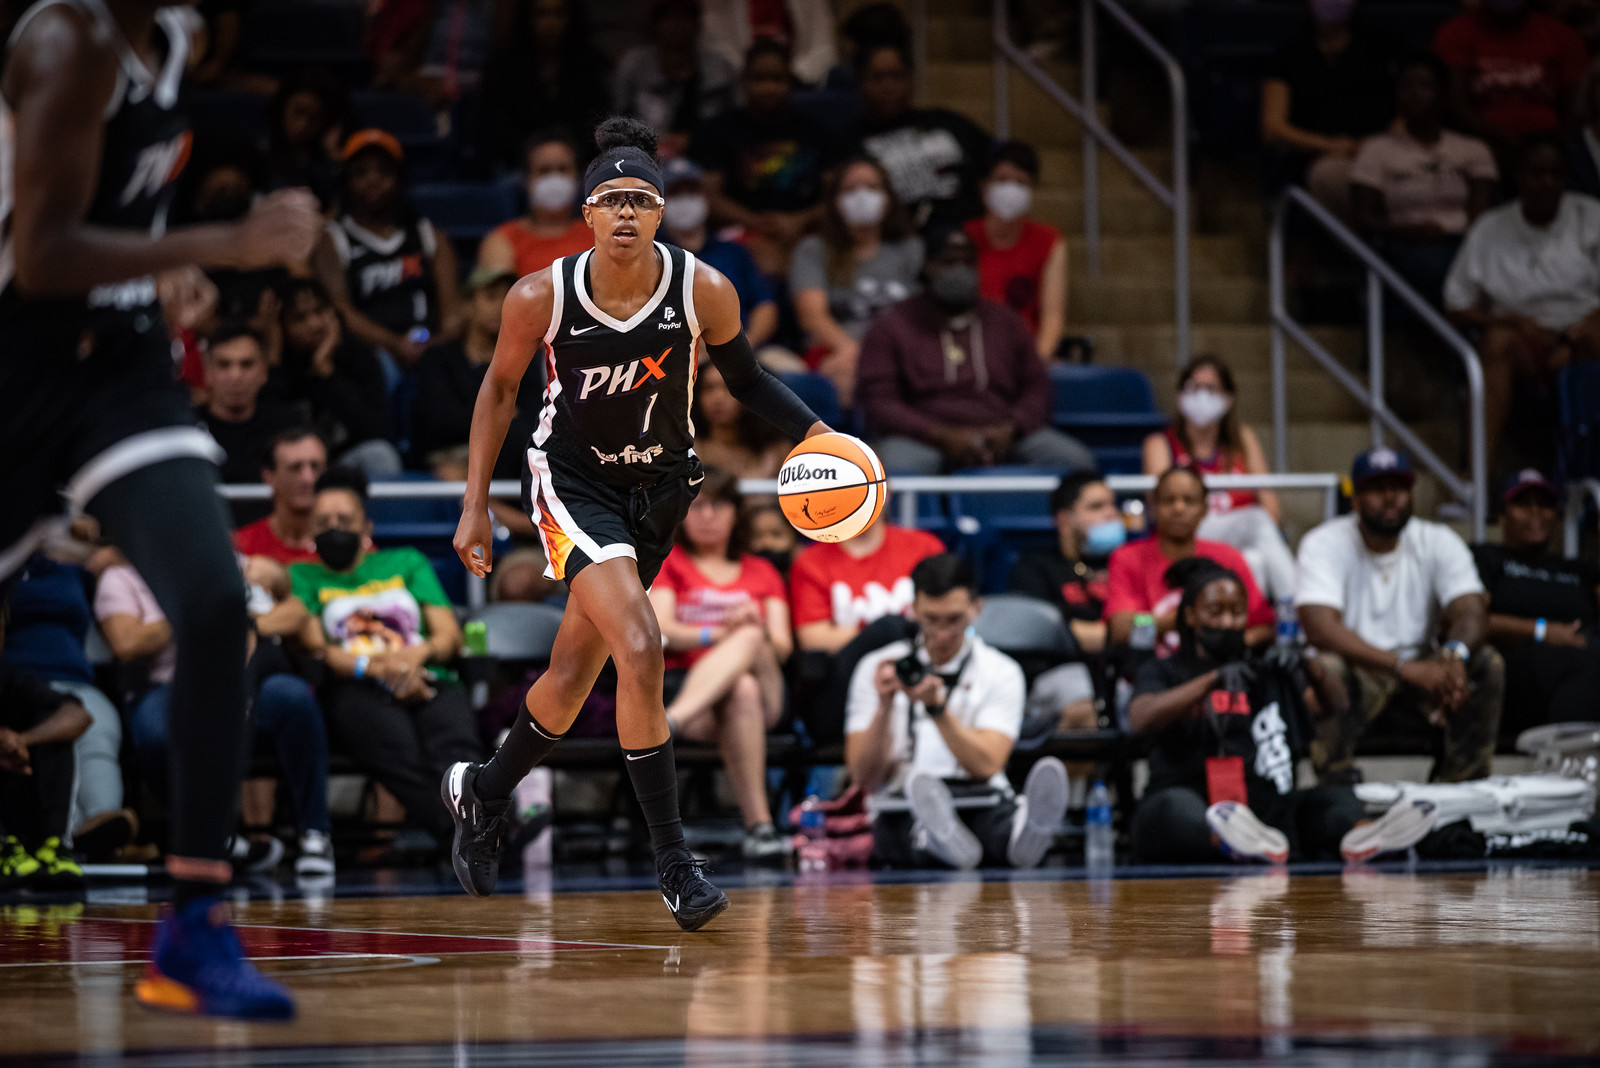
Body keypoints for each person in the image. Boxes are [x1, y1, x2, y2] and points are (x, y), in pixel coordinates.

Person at [0, 0, 319, 1013]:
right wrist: (219, 241)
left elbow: (108, 214)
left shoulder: (173, 34)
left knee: (215, 603)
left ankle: (193, 925)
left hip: (119, 365)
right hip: (16, 357)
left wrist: (160, 257)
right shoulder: (69, 39)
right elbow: (44, 253)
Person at [445, 118, 827, 929]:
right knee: (642, 646)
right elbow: (498, 395)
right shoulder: (539, 295)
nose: (626, 212)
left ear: (662, 215)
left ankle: (482, 793)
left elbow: (749, 381)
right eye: (612, 199)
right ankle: (675, 861)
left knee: (572, 674)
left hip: (658, 489)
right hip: (570, 483)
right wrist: (475, 504)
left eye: (642, 199)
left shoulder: (703, 289)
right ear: (587, 213)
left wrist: (817, 433)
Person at [1128, 559, 1435, 865]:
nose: (1227, 622)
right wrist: (1213, 680)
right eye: (1215, 612)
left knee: (1334, 798)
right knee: (1172, 809)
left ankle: (1363, 836)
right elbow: (1141, 717)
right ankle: (1232, 841)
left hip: (1263, 810)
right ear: (1191, 615)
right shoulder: (1165, 670)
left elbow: (1335, 707)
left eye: (1236, 612)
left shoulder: (1261, 668)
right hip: (1195, 798)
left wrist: (1308, 665)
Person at [97, 555, 334, 879]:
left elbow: (295, 610)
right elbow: (127, 641)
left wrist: (248, 622)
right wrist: (196, 611)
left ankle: (315, 834)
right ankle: (211, 834)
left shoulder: (225, 558)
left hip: (242, 679)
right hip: (169, 684)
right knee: (157, 735)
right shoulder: (122, 576)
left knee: (294, 698)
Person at [291, 468, 482, 850]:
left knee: (456, 750)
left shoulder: (406, 562)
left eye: (344, 520)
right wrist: (375, 668)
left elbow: (447, 634)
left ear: (367, 527)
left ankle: (476, 838)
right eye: (324, 522)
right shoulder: (300, 576)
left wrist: (414, 657)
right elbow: (317, 648)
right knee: (398, 752)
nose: (334, 528)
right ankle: (476, 840)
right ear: (310, 531)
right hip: (356, 686)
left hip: (427, 673)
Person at [845, 554, 1070, 870]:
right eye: (931, 619)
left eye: (953, 620)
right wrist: (883, 708)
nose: (942, 634)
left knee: (992, 825)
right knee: (901, 832)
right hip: (904, 801)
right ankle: (942, 839)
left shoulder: (1001, 671)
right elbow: (863, 777)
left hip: (980, 797)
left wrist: (938, 711)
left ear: (976, 610)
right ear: (913, 610)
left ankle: (1021, 833)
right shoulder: (878, 668)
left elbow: (988, 764)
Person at [1296, 448, 1505, 784]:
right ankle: (1335, 786)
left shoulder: (1438, 540)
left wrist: (1454, 655)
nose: (1391, 498)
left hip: (1426, 664)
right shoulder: (1324, 542)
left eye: (1400, 487)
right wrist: (1402, 667)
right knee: (1325, 669)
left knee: (1485, 663)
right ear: (1356, 499)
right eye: (1377, 489)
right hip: (1360, 669)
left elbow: (1470, 607)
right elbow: (1320, 628)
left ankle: (1462, 785)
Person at [858, 225, 1095, 476]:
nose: (960, 270)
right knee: (888, 469)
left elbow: (1037, 387)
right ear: (928, 266)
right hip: (923, 439)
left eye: (967, 262)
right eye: (949, 262)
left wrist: (1011, 428)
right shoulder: (893, 325)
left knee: (1075, 462)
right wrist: (940, 434)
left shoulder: (1006, 322)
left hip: (1003, 434)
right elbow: (879, 400)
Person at [648, 468, 792, 858]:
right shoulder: (670, 563)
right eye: (696, 506)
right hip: (699, 692)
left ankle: (667, 724)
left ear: (735, 514)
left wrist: (750, 631)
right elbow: (662, 628)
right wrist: (716, 633)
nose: (707, 515)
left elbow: (781, 645)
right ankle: (760, 827)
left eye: (718, 505)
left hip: (767, 692)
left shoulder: (762, 571)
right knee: (740, 689)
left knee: (751, 639)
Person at [1445, 136, 1600, 469]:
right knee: (1496, 343)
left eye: (1555, 174)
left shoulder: (1592, 217)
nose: (1547, 182)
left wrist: (1582, 329)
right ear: (1519, 178)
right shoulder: (1490, 228)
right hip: (1526, 341)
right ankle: (1474, 482)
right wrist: (1510, 322)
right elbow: (1457, 307)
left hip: (1585, 332)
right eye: (1537, 173)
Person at [2, 552, 133, 861]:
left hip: (75, 681)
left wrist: (99, 549)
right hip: (16, 682)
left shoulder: (71, 569)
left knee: (96, 726)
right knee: (60, 736)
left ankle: (101, 821)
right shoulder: (5, 566)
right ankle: (72, 835)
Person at [1142, 356, 1298, 601]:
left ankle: (1252, 630)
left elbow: (1272, 510)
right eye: (1193, 387)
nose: (1201, 396)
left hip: (1238, 539)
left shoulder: (1242, 439)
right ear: (1180, 396)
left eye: (1211, 388)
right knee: (1256, 520)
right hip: (1187, 532)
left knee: (1253, 560)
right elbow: (1161, 509)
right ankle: (1298, 608)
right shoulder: (1160, 444)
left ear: (1228, 399)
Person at [1350, 53, 1497, 307]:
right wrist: (1410, 232)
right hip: (1404, 244)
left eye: (1425, 85)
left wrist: (1460, 236)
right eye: (1407, 86)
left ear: (1442, 94)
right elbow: (1364, 218)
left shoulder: (1473, 149)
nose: (1415, 93)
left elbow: (1482, 211)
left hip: (1462, 242)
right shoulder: (1376, 149)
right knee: (1427, 266)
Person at [310, 130, 462, 370]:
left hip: (432, 347)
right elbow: (340, 310)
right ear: (345, 180)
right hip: (369, 353)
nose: (373, 179)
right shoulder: (332, 240)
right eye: (361, 171)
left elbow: (453, 311)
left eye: (384, 170)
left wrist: (437, 346)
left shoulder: (429, 235)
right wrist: (394, 344)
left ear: (400, 178)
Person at [691, 40, 838, 277]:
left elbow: (837, 195)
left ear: (790, 80)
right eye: (759, 79)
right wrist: (754, 221)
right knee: (764, 263)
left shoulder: (817, 130)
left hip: (806, 229)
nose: (768, 88)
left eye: (777, 79)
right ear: (744, 81)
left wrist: (799, 220)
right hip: (740, 229)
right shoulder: (717, 131)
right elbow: (709, 197)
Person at [1472, 469, 1600, 737]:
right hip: (1517, 664)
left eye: (1544, 505)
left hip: (1586, 654)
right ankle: (1567, 762)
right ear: (1501, 514)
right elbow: (1472, 619)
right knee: (1584, 667)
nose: (1536, 513)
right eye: (1523, 504)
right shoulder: (1486, 558)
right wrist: (1544, 631)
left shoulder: (1577, 569)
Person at [789, 155, 923, 403]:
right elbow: (812, 316)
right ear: (835, 201)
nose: (861, 195)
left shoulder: (911, 249)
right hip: (838, 353)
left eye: (871, 187)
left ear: (887, 199)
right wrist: (854, 352)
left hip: (902, 354)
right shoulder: (813, 249)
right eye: (850, 189)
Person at [1104, 466, 1275, 653]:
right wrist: (1185, 618)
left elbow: (1263, 625)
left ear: (1204, 509)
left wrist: (1228, 647)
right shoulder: (1127, 557)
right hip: (1152, 671)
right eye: (1169, 500)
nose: (1178, 508)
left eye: (1189, 500)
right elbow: (1121, 627)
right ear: (1153, 506)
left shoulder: (1228, 556)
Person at [1007, 471, 1123, 731]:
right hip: (1060, 674)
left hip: (1119, 672)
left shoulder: (1124, 565)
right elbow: (1054, 636)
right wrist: (1127, 633)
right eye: (1096, 506)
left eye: (1112, 504)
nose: (1111, 513)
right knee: (1082, 697)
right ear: (1065, 520)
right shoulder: (1035, 569)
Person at [1260, 0, 1397, 213]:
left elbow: (1408, 113)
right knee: (1328, 175)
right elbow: (1273, 128)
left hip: (1381, 154)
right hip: (1313, 158)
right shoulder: (1288, 55)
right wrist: (1329, 146)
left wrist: (1369, 147)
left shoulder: (1383, 47)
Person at [412, 267, 543, 482]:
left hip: (511, 457)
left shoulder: (526, 359)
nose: (500, 307)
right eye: (491, 297)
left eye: (507, 298)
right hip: (454, 454)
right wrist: (501, 416)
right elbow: (439, 420)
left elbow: (533, 418)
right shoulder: (439, 358)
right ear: (467, 305)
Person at [853, 40, 992, 230]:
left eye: (897, 76)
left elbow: (1001, 156)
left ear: (911, 79)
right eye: (878, 77)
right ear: (861, 83)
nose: (888, 86)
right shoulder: (849, 141)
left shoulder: (945, 121)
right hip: (894, 242)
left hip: (966, 233)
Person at [0, 604, 91, 893]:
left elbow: (79, 716)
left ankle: (54, 847)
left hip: (20, 808)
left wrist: (22, 740)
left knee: (54, 725)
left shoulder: (11, 679)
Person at [274, 278, 401, 476]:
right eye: (299, 318)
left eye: (320, 311)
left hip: (343, 463)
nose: (314, 324)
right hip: (293, 465)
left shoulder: (359, 355)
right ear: (281, 326)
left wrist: (326, 371)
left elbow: (376, 430)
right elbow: (269, 433)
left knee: (380, 455)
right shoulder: (276, 367)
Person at [1434, 0, 1588, 153]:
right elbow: (1455, 104)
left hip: (1549, 151)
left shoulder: (1563, 36)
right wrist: (1500, 138)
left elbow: (1576, 108)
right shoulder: (1454, 33)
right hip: (1478, 147)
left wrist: (1553, 146)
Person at [478, 0, 611, 173]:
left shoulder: (592, 67)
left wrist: (564, 156)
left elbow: (598, 126)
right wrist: (535, 156)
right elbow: (496, 129)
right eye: (541, 14)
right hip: (516, 169)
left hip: (579, 168)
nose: (550, 23)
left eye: (558, 13)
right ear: (527, 18)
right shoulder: (501, 69)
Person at [965, 141, 1068, 360]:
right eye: (1002, 180)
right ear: (984, 187)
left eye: (1021, 182)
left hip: (1026, 356)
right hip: (972, 354)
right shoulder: (964, 238)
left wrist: (1037, 363)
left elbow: (1052, 316)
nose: (1011, 189)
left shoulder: (1049, 241)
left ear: (1032, 191)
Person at [660, 158, 779, 347]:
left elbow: (765, 305)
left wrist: (743, 350)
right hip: (678, 362)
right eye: (675, 193)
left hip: (748, 352)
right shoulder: (652, 259)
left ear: (705, 197)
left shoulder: (734, 252)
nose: (684, 200)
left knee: (798, 376)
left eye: (691, 191)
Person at [612, 0, 738, 153]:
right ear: (656, 22)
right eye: (669, 17)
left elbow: (735, 123)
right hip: (645, 155)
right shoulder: (634, 66)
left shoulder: (721, 68)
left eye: (685, 16)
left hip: (708, 157)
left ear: (698, 22)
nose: (677, 24)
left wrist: (694, 139)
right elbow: (617, 121)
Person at [477, 133, 593, 279]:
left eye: (563, 169)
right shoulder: (502, 241)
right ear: (526, 179)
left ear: (578, 177)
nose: (554, 179)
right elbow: (496, 299)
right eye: (544, 170)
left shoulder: (599, 234)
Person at [233, 428, 328, 565]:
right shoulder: (240, 546)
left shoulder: (351, 548)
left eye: (315, 467)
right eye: (295, 468)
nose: (308, 479)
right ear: (269, 476)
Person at [698, 0, 837, 87]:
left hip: (798, 84)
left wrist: (788, 77)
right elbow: (715, 44)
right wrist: (754, 78)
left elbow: (824, 46)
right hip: (736, 85)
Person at [692, 363, 790, 484]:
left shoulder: (776, 450)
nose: (718, 398)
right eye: (709, 388)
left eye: (729, 388)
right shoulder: (686, 451)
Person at [262, 71, 345, 209]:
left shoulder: (327, 166)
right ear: (283, 108)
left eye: (313, 118)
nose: (303, 124)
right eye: (298, 112)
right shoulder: (261, 158)